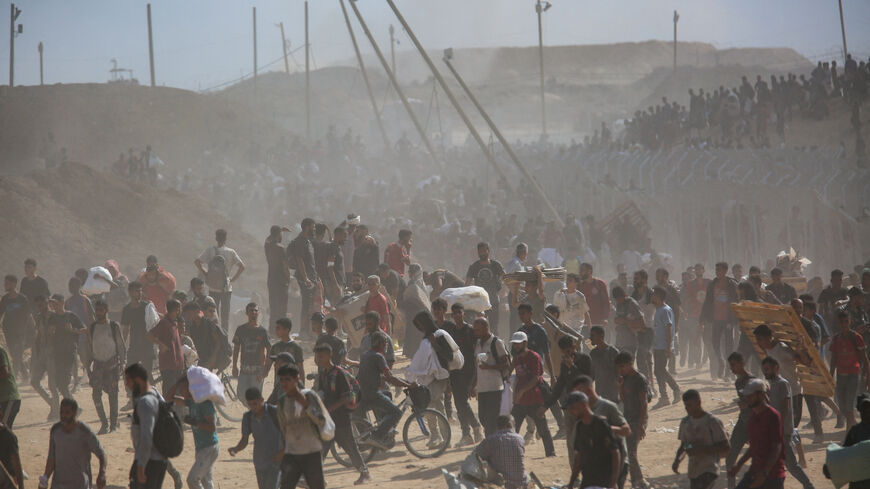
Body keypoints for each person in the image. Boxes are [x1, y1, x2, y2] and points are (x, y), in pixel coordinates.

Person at [313, 345, 371, 485]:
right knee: (322, 448)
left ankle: (365, 473)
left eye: (321, 356)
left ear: (330, 355)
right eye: (317, 356)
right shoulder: (323, 374)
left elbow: (345, 397)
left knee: (350, 447)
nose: (318, 359)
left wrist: (329, 409)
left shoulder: (339, 373)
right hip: (328, 420)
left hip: (341, 419)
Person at [761, 357, 815, 489]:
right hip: (774, 431)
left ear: (776, 368)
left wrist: (778, 426)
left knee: (791, 465)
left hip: (782, 431)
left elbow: (785, 407)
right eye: (764, 370)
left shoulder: (782, 383)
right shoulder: (772, 385)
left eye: (767, 369)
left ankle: (808, 485)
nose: (765, 372)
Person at [570, 375, 630, 489]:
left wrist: (606, 429)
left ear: (589, 390)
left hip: (615, 464)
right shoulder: (580, 412)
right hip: (595, 467)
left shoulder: (608, 407)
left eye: (579, 392)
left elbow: (626, 430)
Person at [357, 331, 414, 449]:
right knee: (396, 412)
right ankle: (377, 436)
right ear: (380, 344)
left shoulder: (366, 355)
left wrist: (403, 382)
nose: (386, 345)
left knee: (387, 393)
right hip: (372, 394)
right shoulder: (379, 357)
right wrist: (408, 385)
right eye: (385, 343)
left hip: (363, 392)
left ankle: (384, 424)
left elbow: (381, 376)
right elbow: (390, 378)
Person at [276, 364, 329, 489]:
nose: (284, 383)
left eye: (287, 379)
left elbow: (321, 420)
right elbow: (283, 429)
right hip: (292, 453)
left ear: (297, 379)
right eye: (281, 380)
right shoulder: (282, 402)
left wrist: (306, 406)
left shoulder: (309, 396)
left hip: (312, 452)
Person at [727, 378, 786, 489]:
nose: (747, 399)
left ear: (761, 395)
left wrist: (765, 472)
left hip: (772, 475)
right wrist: (738, 465)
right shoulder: (753, 418)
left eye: (750, 396)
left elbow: (776, 446)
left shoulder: (772, 415)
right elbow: (754, 446)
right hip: (755, 471)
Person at [42, 398, 107, 489]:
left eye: (67, 412)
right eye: (61, 412)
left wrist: (102, 473)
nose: (63, 415)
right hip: (58, 485)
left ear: (75, 413)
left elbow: (101, 453)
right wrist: (45, 479)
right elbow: (51, 459)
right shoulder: (55, 430)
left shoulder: (84, 431)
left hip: (80, 484)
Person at [509, 331, 556, 457]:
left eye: (518, 344)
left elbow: (536, 378)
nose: (515, 346)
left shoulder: (534, 357)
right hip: (520, 400)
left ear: (525, 343)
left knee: (543, 428)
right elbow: (509, 372)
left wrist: (521, 391)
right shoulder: (516, 359)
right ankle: (511, 452)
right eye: (514, 344)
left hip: (534, 398)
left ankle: (550, 453)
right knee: (512, 427)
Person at [167, 376, 219, 489]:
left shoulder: (205, 403)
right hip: (201, 448)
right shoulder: (191, 402)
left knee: (192, 480)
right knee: (206, 482)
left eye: (183, 388)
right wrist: (177, 382)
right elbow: (169, 398)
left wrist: (194, 422)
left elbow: (212, 427)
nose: (181, 391)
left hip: (209, 448)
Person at [442, 303, 483, 446]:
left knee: (462, 402)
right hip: (455, 372)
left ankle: (473, 429)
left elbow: (477, 353)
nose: (457, 315)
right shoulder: (451, 332)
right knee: (459, 403)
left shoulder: (470, 331)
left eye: (459, 312)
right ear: (452, 315)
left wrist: (476, 379)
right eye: (455, 313)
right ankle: (468, 433)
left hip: (468, 371)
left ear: (464, 313)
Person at [672, 390, 730, 489]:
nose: (687, 409)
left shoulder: (712, 421)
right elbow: (685, 444)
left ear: (698, 403)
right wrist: (678, 460)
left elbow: (725, 446)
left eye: (690, 405)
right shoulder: (685, 422)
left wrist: (702, 449)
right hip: (694, 470)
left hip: (710, 468)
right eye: (685, 406)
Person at [228, 388, 284, 489]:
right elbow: (244, 440)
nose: (253, 407)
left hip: (276, 461)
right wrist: (236, 449)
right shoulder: (248, 417)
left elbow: (288, 434)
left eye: (255, 403)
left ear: (262, 400)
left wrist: (282, 452)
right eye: (250, 404)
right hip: (259, 462)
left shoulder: (275, 412)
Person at [565, 391, 621, 489]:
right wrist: (571, 483)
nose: (571, 412)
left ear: (583, 405)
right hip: (587, 481)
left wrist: (613, 482)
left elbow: (615, 453)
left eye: (573, 408)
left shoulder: (600, 424)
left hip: (604, 481)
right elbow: (578, 457)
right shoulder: (580, 427)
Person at [125, 363, 168, 489]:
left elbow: (146, 437)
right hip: (157, 458)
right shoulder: (152, 393)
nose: (126, 385)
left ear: (137, 380)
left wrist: (141, 465)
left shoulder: (145, 402)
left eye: (128, 381)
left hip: (150, 461)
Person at [87, 300, 127, 434]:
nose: (98, 313)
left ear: (106, 311)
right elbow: (89, 348)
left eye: (101, 310)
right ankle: (104, 423)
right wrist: (87, 367)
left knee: (113, 394)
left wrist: (123, 363)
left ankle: (113, 424)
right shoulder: (92, 327)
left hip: (112, 365)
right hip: (98, 365)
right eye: (97, 310)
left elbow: (121, 346)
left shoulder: (113, 326)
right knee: (96, 395)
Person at [195, 228, 245, 333]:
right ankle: (224, 336)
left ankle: (214, 335)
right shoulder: (231, 252)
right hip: (226, 288)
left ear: (216, 238)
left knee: (213, 314)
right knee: (225, 315)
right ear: (226, 238)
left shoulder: (210, 250)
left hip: (213, 287)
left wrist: (205, 273)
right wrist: (233, 279)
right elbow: (242, 267)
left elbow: (197, 262)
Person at [830, 310, 870, 428]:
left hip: (853, 374)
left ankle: (849, 430)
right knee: (842, 405)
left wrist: (868, 377)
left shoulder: (856, 338)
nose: (844, 324)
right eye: (842, 322)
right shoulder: (836, 338)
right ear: (838, 323)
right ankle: (854, 425)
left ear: (850, 322)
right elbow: (833, 359)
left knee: (849, 403)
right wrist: (830, 376)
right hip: (841, 375)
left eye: (846, 321)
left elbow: (865, 359)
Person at [699, 262, 739, 380]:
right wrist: (702, 318)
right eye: (716, 270)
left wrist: (735, 319)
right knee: (714, 343)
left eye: (719, 270)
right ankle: (720, 361)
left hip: (728, 320)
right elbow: (707, 301)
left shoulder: (731, 284)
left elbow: (737, 301)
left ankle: (728, 372)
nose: (717, 272)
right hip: (716, 319)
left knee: (729, 346)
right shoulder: (713, 284)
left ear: (725, 271)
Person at [616, 351, 650, 489]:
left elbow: (644, 403)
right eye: (619, 367)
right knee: (627, 451)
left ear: (631, 364)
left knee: (630, 451)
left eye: (622, 366)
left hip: (638, 419)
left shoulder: (639, 379)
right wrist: (620, 387)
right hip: (628, 418)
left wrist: (641, 425)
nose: (620, 370)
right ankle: (636, 480)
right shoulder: (625, 379)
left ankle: (640, 481)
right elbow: (623, 400)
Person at [472, 317, 510, 437]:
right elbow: (477, 368)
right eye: (475, 330)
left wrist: (489, 367)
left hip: (495, 388)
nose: (475, 332)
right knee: (483, 418)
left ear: (486, 328)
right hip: (482, 389)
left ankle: (492, 442)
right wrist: (473, 386)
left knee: (491, 420)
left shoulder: (496, 343)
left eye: (478, 330)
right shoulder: (478, 344)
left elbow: (506, 364)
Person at [47, 294, 83, 416]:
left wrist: (72, 330)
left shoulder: (71, 316)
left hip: (69, 353)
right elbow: (49, 334)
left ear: (62, 302)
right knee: (59, 384)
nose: (54, 305)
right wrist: (51, 332)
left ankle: (75, 408)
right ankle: (75, 408)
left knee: (63, 384)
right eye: (52, 303)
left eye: (56, 303)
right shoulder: (52, 317)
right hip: (57, 353)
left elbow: (84, 329)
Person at [725, 352, 757, 489]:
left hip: (755, 423)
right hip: (743, 422)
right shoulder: (738, 382)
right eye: (730, 366)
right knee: (730, 457)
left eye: (734, 365)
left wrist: (748, 404)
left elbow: (763, 402)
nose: (732, 369)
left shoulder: (753, 381)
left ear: (742, 363)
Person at [473, 415, 528, 489]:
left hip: (502, 484)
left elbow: (475, 456)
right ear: (511, 425)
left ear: (497, 426)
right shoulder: (520, 439)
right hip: (522, 483)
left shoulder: (490, 440)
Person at [830, 394, 870, 489]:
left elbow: (844, 454)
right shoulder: (855, 431)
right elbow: (845, 454)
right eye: (865, 410)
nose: (867, 412)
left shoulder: (855, 431)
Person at [288, 218, 319, 340]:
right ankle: (303, 331)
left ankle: (308, 331)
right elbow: (299, 260)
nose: (314, 229)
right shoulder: (300, 242)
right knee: (305, 306)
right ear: (307, 227)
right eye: (313, 227)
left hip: (311, 278)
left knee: (310, 306)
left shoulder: (308, 241)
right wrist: (306, 278)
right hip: (304, 279)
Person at [147, 299, 185, 396]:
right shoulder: (164, 323)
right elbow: (150, 335)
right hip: (168, 364)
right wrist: (161, 344)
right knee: (169, 392)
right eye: (180, 309)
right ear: (176, 310)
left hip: (177, 364)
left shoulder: (175, 323)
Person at [465, 242, 505, 335]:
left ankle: (495, 342)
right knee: (480, 326)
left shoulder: (495, 265)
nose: (482, 253)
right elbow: (467, 284)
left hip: (493, 300)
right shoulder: (474, 267)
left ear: (488, 251)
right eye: (480, 251)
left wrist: (503, 289)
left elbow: (505, 277)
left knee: (494, 327)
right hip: (480, 302)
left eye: (484, 251)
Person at [232, 303, 270, 397]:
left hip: (258, 371)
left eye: (255, 310)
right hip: (244, 370)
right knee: (241, 394)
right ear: (247, 313)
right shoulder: (240, 330)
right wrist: (234, 366)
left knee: (255, 397)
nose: (253, 312)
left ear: (258, 313)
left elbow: (269, 351)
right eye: (251, 310)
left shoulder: (263, 331)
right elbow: (236, 349)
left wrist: (266, 369)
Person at [651, 286, 680, 407]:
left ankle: (675, 390)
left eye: (654, 294)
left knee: (660, 370)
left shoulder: (665, 310)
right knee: (658, 371)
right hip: (658, 346)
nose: (652, 296)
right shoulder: (658, 310)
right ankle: (664, 397)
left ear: (659, 296)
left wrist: (668, 347)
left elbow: (668, 328)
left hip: (663, 346)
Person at [0, 274, 34, 379]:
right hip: (8, 331)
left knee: (17, 354)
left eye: (7, 283)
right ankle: (25, 376)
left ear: (14, 284)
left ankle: (13, 378)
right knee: (15, 355)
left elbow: (28, 315)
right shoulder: (5, 299)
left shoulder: (22, 299)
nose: (5, 285)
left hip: (20, 332)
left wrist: (33, 329)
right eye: (5, 283)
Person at [123, 282, 156, 380]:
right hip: (134, 345)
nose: (140, 293)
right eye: (137, 291)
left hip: (147, 344)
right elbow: (125, 329)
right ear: (130, 292)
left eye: (140, 291)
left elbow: (156, 320)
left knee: (147, 374)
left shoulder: (147, 307)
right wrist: (122, 346)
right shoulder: (127, 309)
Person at [263, 318, 304, 394]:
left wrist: (302, 388)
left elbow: (300, 369)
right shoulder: (275, 347)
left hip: (292, 386)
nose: (276, 330)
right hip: (278, 386)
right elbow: (268, 365)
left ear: (286, 330)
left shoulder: (296, 348)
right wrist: (261, 375)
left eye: (278, 328)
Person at [265, 225, 291, 333]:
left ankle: (272, 330)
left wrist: (279, 230)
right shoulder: (281, 248)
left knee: (273, 307)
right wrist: (289, 278)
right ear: (278, 235)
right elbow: (285, 266)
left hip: (271, 280)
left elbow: (267, 239)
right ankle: (282, 330)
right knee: (282, 308)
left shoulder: (267, 246)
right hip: (281, 281)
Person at [183, 303, 224, 371]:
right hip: (197, 359)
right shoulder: (191, 326)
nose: (188, 317)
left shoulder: (209, 324)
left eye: (189, 314)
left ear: (197, 311)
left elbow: (218, 342)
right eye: (187, 314)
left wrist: (213, 357)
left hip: (208, 359)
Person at [589, 325, 620, 403]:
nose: (590, 338)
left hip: (612, 394)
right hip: (600, 394)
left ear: (601, 335)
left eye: (593, 335)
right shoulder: (593, 353)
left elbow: (619, 374)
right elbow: (592, 375)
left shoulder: (613, 352)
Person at [578, 263, 611, 335]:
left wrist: (605, 318)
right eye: (580, 270)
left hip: (598, 323)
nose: (580, 272)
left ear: (589, 271)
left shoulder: (600, 284)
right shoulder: (579, 286)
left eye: (582, 270)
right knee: (585, 341)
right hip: (584, 324)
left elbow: (606, 302)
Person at [0, 405, 23, 489]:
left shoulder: (8, 436)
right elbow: (16, 464)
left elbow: (16, 464)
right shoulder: (8, 435)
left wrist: (21, 486)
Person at [0, 342, 21, 430]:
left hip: (9, 398)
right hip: (3, 399)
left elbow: (4, 371)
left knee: (4, 429)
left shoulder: (0, 351)